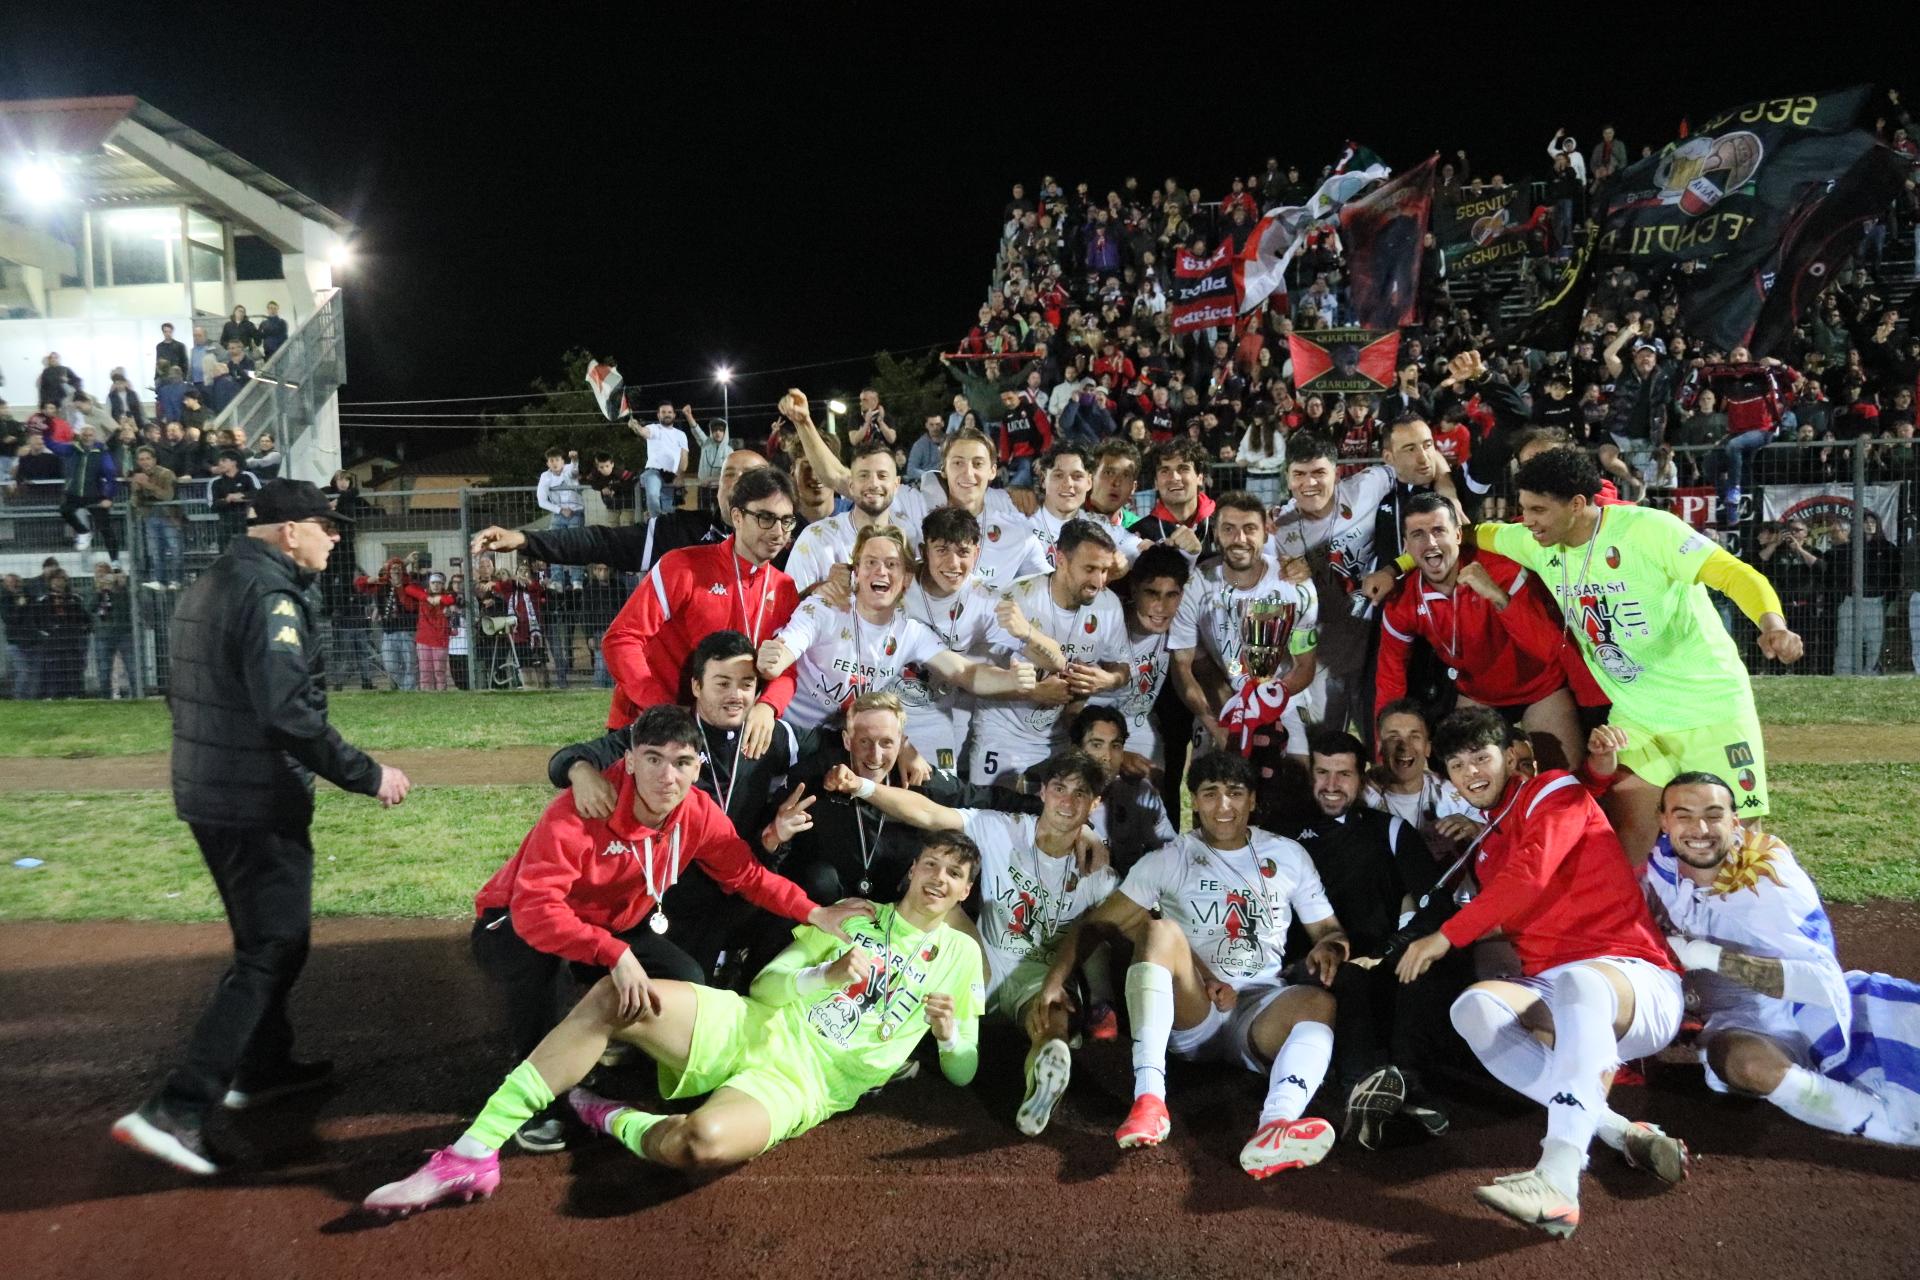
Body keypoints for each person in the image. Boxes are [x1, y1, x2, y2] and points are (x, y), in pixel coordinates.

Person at [363, 835, 981, 1215]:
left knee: (700, 1143)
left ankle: (605, 1114)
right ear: (912, 870)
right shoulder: (853, 916)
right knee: (618, 993)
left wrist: (950, 1036)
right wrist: (827, 974)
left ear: (964, 891)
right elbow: (765, 987)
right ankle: (473, 1151)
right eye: (931, 864)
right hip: (752, 1023)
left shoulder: (961, 958)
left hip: (806, 1085)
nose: (939, 879)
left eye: (954, 875)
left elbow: (962, 1071)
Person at [110, 480, 412, 1176]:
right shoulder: (271, 595)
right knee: (271, 946)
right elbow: (287, 713)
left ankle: (264, 1065)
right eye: (325, 526)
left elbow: (185, 689)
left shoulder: (212, 581)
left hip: (208, 789)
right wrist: (368, 774)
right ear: (287, 530)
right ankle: (179, 1106)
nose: (334, 537)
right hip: (253, 797)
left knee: (268, 939)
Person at [465, 704, 869, 1151]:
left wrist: (814, 913)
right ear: (630, 761)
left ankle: (624, 1051)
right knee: (537, 964)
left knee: (683, 977)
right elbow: (536, 912)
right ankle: (535, 1094)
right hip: (513, 922)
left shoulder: (696, 811)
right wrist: (613, 953)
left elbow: (747, 875)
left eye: (681, 763)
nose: (667, 776)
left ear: (697, 769)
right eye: (654, 759)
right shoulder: (580, 810)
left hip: (610, 927)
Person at [1395, 708, 1688, 1239]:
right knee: (1475, 1009)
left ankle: (1557, 1176)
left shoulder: (1552, 789)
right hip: (1559, 990)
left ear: (1510, 757)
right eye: (1457, 765)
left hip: (1636, 980)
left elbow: (1529, 876)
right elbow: (1508, 902)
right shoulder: (1488, 845)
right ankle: (1619, 1131)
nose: (1470, 773)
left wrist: (1445, 937)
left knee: (1581, 983)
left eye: (1480, 758)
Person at [1471, 447, 1802, 858]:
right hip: (1636, 718)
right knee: (1625, 838)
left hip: (1709, 709)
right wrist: (1410, 556)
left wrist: (1773, 625)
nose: (1528, 521)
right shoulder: (1537, 542)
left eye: (1538, 510)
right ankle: (1636, 903)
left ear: (1577, 504)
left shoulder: (1648, 530)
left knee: (1738, 844)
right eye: (1524, 509)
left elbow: (1735, 574)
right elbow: (1472, 533)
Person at [1047, 751, 1349, 1177]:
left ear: (1252, 800)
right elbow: (1095, 925)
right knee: (1158, 931)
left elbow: (1330, 932)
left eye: (1235, 793)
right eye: (1210, 794)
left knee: (1319, 1004)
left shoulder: (1288, 855)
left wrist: (1331, 949)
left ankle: (1276, 1125)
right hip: (1195, 1010)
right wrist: (1055, 982)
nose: (1223, 805)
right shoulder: (1170, 859)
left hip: (1258, 1010)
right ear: (1193, 801)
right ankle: (1149, 1100)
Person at [824, 751, 1118, 1136]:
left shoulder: (1099, 871)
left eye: (1080, 794)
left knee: (1054, 1015)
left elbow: (1122, 924)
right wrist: (861, 786)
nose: (1067, 801)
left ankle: (1045, 1071)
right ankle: (881, 1038)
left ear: (1094, 804)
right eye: (1060, 788)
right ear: (1043, 792)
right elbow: (929, 814)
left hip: (1039, 977)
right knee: (939, 906)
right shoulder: (1001, 827)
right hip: (980, 958)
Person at [1643, 770, 1920, 1147]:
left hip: (1808, 1008)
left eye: (1713, 814)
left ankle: (1897, 1127)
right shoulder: (1656, 871)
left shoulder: (1765, 873)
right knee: (1747, 1065)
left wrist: (1702, 955)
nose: (1700, 828)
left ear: (1735, 821)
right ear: (1663, 821)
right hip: (1740, 1024)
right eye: (1684, 815)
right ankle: (1874, 1120)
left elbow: (1822, 986)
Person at [1288, 731, 1459, 1147]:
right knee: (1347, 978)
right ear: (1310, 775)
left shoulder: (1390, 831)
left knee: (1424, 968)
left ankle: (1407, 1085)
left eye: (1343, 774)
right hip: (1311, 963)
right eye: (1322, 773)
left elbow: (1437, 905)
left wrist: (1390, 951)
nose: (1331, 785)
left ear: (1362, 778)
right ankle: (1359, 1092)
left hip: (1379, 960)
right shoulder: (1282, 832)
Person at [758, 524, 1039, 738]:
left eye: (891, 564)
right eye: (870, 563)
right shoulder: (826, 608)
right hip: (786, 729)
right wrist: (775, 657)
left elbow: (965, 672)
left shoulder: (910, 632)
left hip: (844, 740)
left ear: (906, 579)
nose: (881, 571)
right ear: (856, 572)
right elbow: (789, 645)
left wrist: (1010, 679)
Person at [1377, 492, 1590, 771]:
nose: (1430, 543)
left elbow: (1546, 650)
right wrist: (1382, 754)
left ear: (1457, 535)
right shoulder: (1403, 599)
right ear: (1406, 545)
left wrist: (1499, 598)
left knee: (1564, 779)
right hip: (1477, 696)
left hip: (1540, 689)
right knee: (1468, 780)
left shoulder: (1502, 569)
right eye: (1418, 534)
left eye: (1438, 531)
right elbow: (1389, 677)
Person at [600, 467, 801, 736]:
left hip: (723, 731)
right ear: (737, 516)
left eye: (786, 521)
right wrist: (662, 708)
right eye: (766, 518)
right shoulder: (683, 566)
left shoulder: (784, 588)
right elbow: (621, 638)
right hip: (651, 723)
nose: (778, 532)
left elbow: (787, 666)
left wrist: (768, 706)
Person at [1170, 490, 1319, 758]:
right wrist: (1216, 726)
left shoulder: (1296, 586)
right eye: (1229, 529)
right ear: (1215, 534)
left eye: (1250, 529)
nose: (1239, 539)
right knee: (1211, 773)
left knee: (1297, 775)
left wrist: (1264, 703)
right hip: (1221, 698)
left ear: (1266, 534)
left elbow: (1304, 667)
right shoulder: (1194, 586)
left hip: (1283, 696)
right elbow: (1182, 667)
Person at [1088, 543, 1189, 785]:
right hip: (1088, 725)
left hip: (1138, 723)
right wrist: (1116, 755)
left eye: (1171, 595)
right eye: (1152, 594)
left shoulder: (1180, 625)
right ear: (1134, 590)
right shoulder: (1103, 624)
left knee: (1150, 787)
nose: (1161, 607)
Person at [783, 440, 916, 596]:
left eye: (882, 476)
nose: (873, 484)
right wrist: (824, 588)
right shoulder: (815, 538)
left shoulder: (911, 536)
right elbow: (788, 602)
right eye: (864, 476)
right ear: (851, 485)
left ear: (896, 484)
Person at [49, 423, 120, 561]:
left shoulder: (102, 452)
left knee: (106, 529)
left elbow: (111, 475)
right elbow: (54, 446)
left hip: (95, 494)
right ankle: (83, 532)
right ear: (80, 436)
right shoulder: (72, 449)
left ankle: (115, 561)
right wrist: (46, 433)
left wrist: (109, 497)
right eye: (84, 435)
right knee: (64, 510)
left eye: (90, 435)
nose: (87, 437)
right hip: (75, 493)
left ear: (94, 436)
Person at [534, 448, 585, 591]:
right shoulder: (545, 476)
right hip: (558, 514)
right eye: (551, 460)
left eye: (557, 460)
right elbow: (542, 500)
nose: (555, 463)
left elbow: (574, 472)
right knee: (554, 545)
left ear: (563, 461)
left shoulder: (568, 468)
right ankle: (557, 580)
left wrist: (574, 460)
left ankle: (577, 580)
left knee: (575, 545)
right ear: (547, 463)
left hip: (576, 512)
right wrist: (560, 510)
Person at [631, 401, 690, 517]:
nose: (667, 414)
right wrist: (636, 426)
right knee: (653, 496)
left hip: (671, 476)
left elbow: (684, 458)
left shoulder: (681, 435)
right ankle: (655, 521)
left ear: (674, 415)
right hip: (654, 472)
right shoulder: (653, 428)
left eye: (669, 412)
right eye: (663, 412)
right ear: (658, 415)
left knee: (669, 511)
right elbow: (643, 432)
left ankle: (661, 524)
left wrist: (679, 475)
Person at [87, 561, 134, 697]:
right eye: (98, 574)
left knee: (132, 667)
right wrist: (99, 592)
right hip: (103, 634)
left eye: (104, 573)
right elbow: (89, 608)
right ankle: (105, 697)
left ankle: (137, 694)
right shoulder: (93, 590)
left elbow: (128, 605)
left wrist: (119, 587)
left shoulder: (120, 589)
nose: (101, 577)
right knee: (103, 669)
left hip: (123, 632)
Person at [404, 571, 455, 691]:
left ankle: (442, 694)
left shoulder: (447, 596)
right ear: (429, 584)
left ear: (443, 585)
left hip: (440, 639)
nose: (436, 585)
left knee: (439, 671)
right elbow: (408, 589)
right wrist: (428, 598)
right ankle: (427, 695)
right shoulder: (423, 594)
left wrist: (439, 598)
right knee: (425, 671)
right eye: (433, 583)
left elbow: (450, 600)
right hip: (424, 639)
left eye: (439, 583)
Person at [209, 449, 261, 545]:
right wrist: (227, 500)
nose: (220, 464)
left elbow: (259, 494)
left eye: (224, 460)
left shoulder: (248, 476)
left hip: (247, 524)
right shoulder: (215, 482)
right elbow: (213, 506)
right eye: (219, 461)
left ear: (234, 462)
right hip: (226, 525)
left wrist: (243, 495)